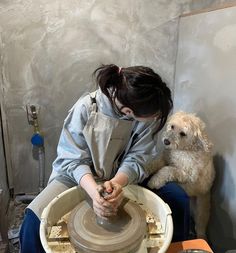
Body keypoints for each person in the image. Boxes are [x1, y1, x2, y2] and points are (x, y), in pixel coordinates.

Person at [19, 64, 190, 253]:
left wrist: (117, 183)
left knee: (177, 198)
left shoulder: (146, 114)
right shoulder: (86, 108)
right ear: (127, 111)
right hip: (78, 175)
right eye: (151, 116)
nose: (155, 119)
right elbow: (73, 161)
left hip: (123, 173)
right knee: (33, 222)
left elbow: (138, 157)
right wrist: (95, 194)